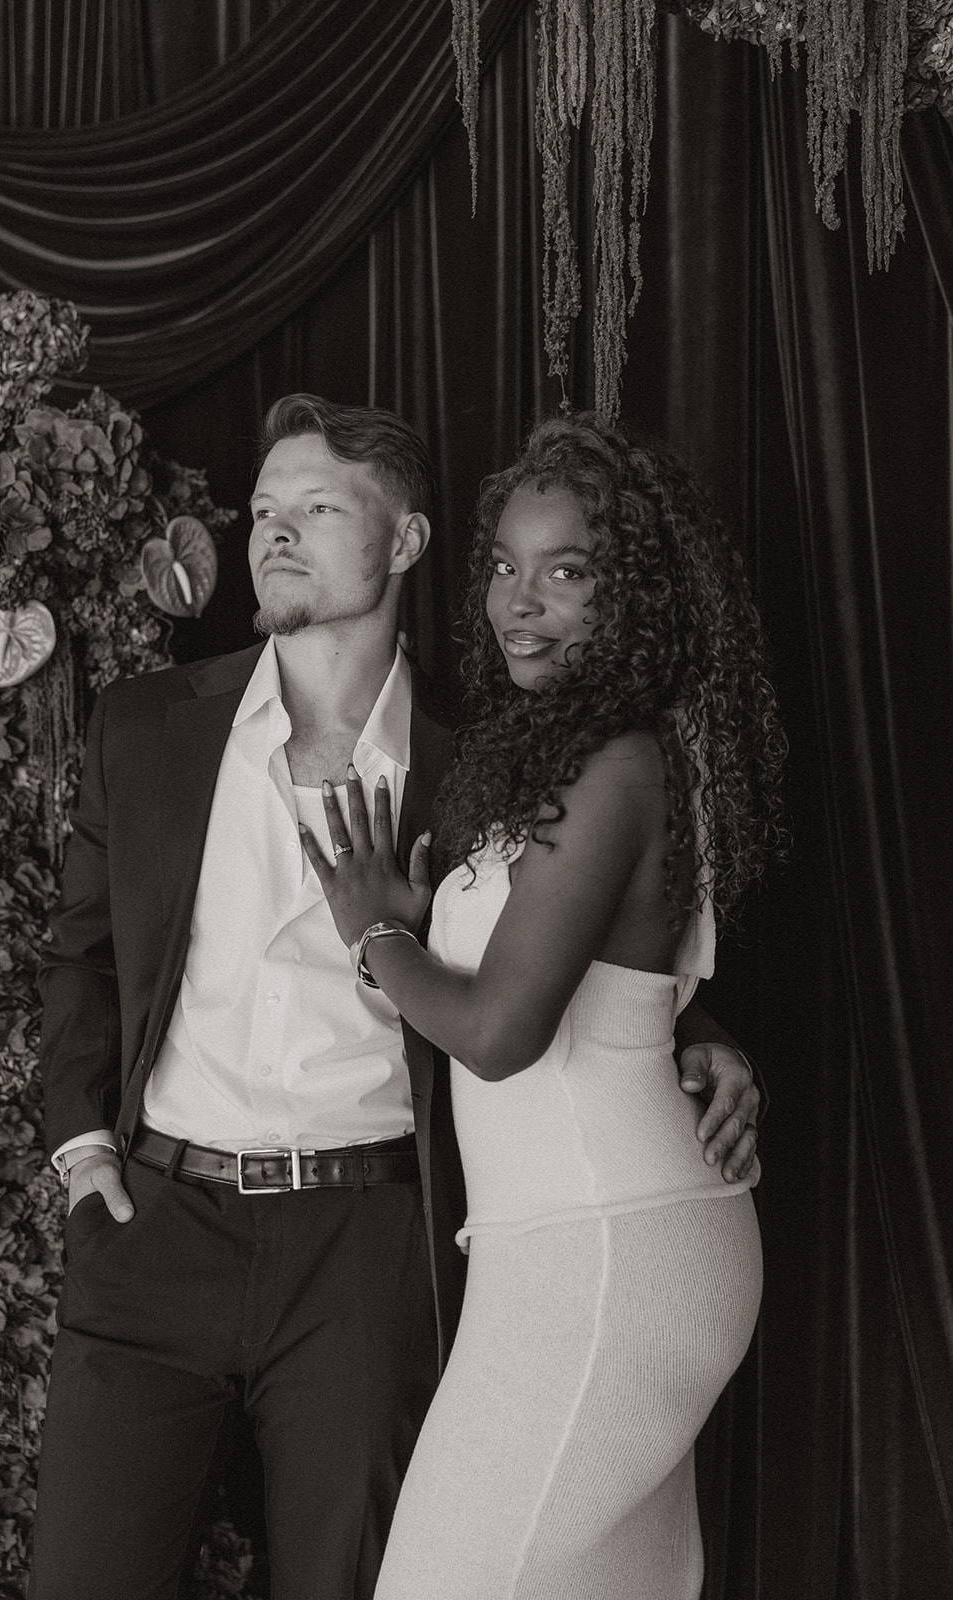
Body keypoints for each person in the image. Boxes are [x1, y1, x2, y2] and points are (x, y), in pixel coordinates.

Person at [30, 395, 761, 1600]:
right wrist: (81, 1147)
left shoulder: (488, 753)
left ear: (407, 540)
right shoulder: (148, 727)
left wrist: (696, 1034)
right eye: (265, 509)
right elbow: (82, 953)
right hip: (155, 1225)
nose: (276, 532)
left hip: (366, 1250)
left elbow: (573, 941)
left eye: (318, 508)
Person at [301, 411, 785, 1600]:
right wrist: (412, 933)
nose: (519, 604)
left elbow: (499, 1033)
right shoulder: (569, 758)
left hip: (603, 1251)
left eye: (564, 572)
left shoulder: (616, 764)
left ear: (633, 594)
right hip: (580, 1242)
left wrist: (372, 928)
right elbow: (613, 987)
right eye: (507, 568)